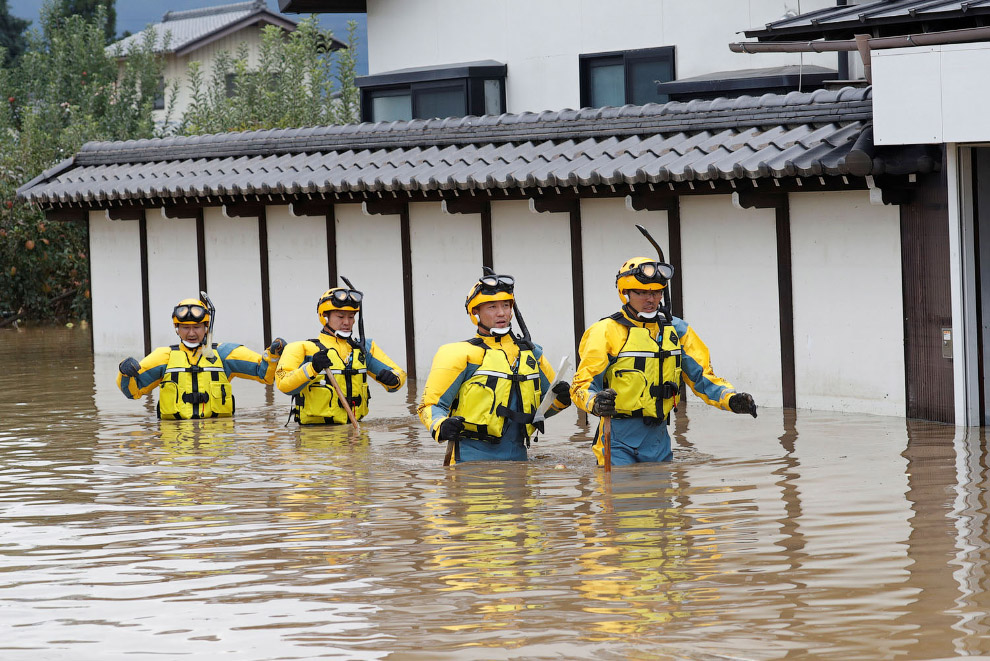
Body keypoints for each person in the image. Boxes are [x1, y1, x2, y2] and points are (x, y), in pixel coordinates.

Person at [572, 257, 757, 467]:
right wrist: (595, 403)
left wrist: (730, 399)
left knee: (661, 497)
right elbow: (581, 386)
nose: (651, 299)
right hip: (616, 438)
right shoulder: (604, 332)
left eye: (657, 292)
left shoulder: (677, 330)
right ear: (625, 293)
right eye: (642, 293)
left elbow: (702, 378)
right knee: (620, 495)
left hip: (658, 439)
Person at [418, 271, 572, 464]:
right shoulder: (457, 354)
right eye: (492, 307)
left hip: (519, 461)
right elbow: (429, 405)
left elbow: (544, 409)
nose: (502, 313)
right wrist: (441, 425)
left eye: (506, 305)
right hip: (468, 462)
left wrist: (562, 398)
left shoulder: (532, 354)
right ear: (475, 312)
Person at [117, 297, 286, 419]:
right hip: (175, 442)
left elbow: (265, 375)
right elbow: (133, 392)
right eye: (185, 328)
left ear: (206, 327)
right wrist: (124, 372)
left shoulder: (224, 354)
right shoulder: (164, 357)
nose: (191, 333)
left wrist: (272, 355)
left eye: (197, 327)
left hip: (216, 441)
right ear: (177, 328)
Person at [275, 284, 406, 424]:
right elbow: (283, 384)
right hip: (315, 437)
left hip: (357, 438)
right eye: (340, 316)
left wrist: (393, 380)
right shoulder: (301, 348)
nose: (347, 322)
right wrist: (312, 368)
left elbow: (399, 374)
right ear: (324, 317)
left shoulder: (363, 348)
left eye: (351, 317)